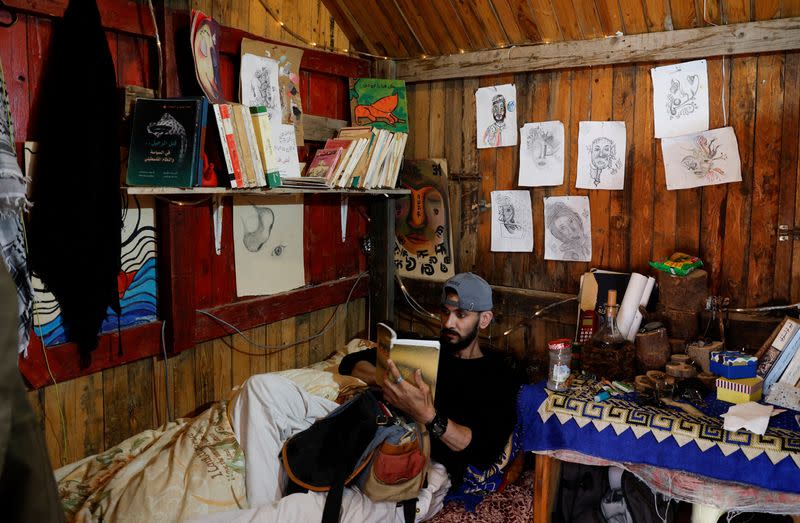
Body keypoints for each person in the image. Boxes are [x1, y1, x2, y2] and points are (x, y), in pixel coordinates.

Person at [339, 272, 522, 489]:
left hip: (427, 463)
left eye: (461, 315)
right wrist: (386, 380)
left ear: (484, 320)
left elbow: (483, 451)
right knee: (288, 396)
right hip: (379, 436)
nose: (448, 323)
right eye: (445, 312)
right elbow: (351, 362)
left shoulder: (499, 374)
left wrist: (428, 415)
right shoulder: (424, 349)